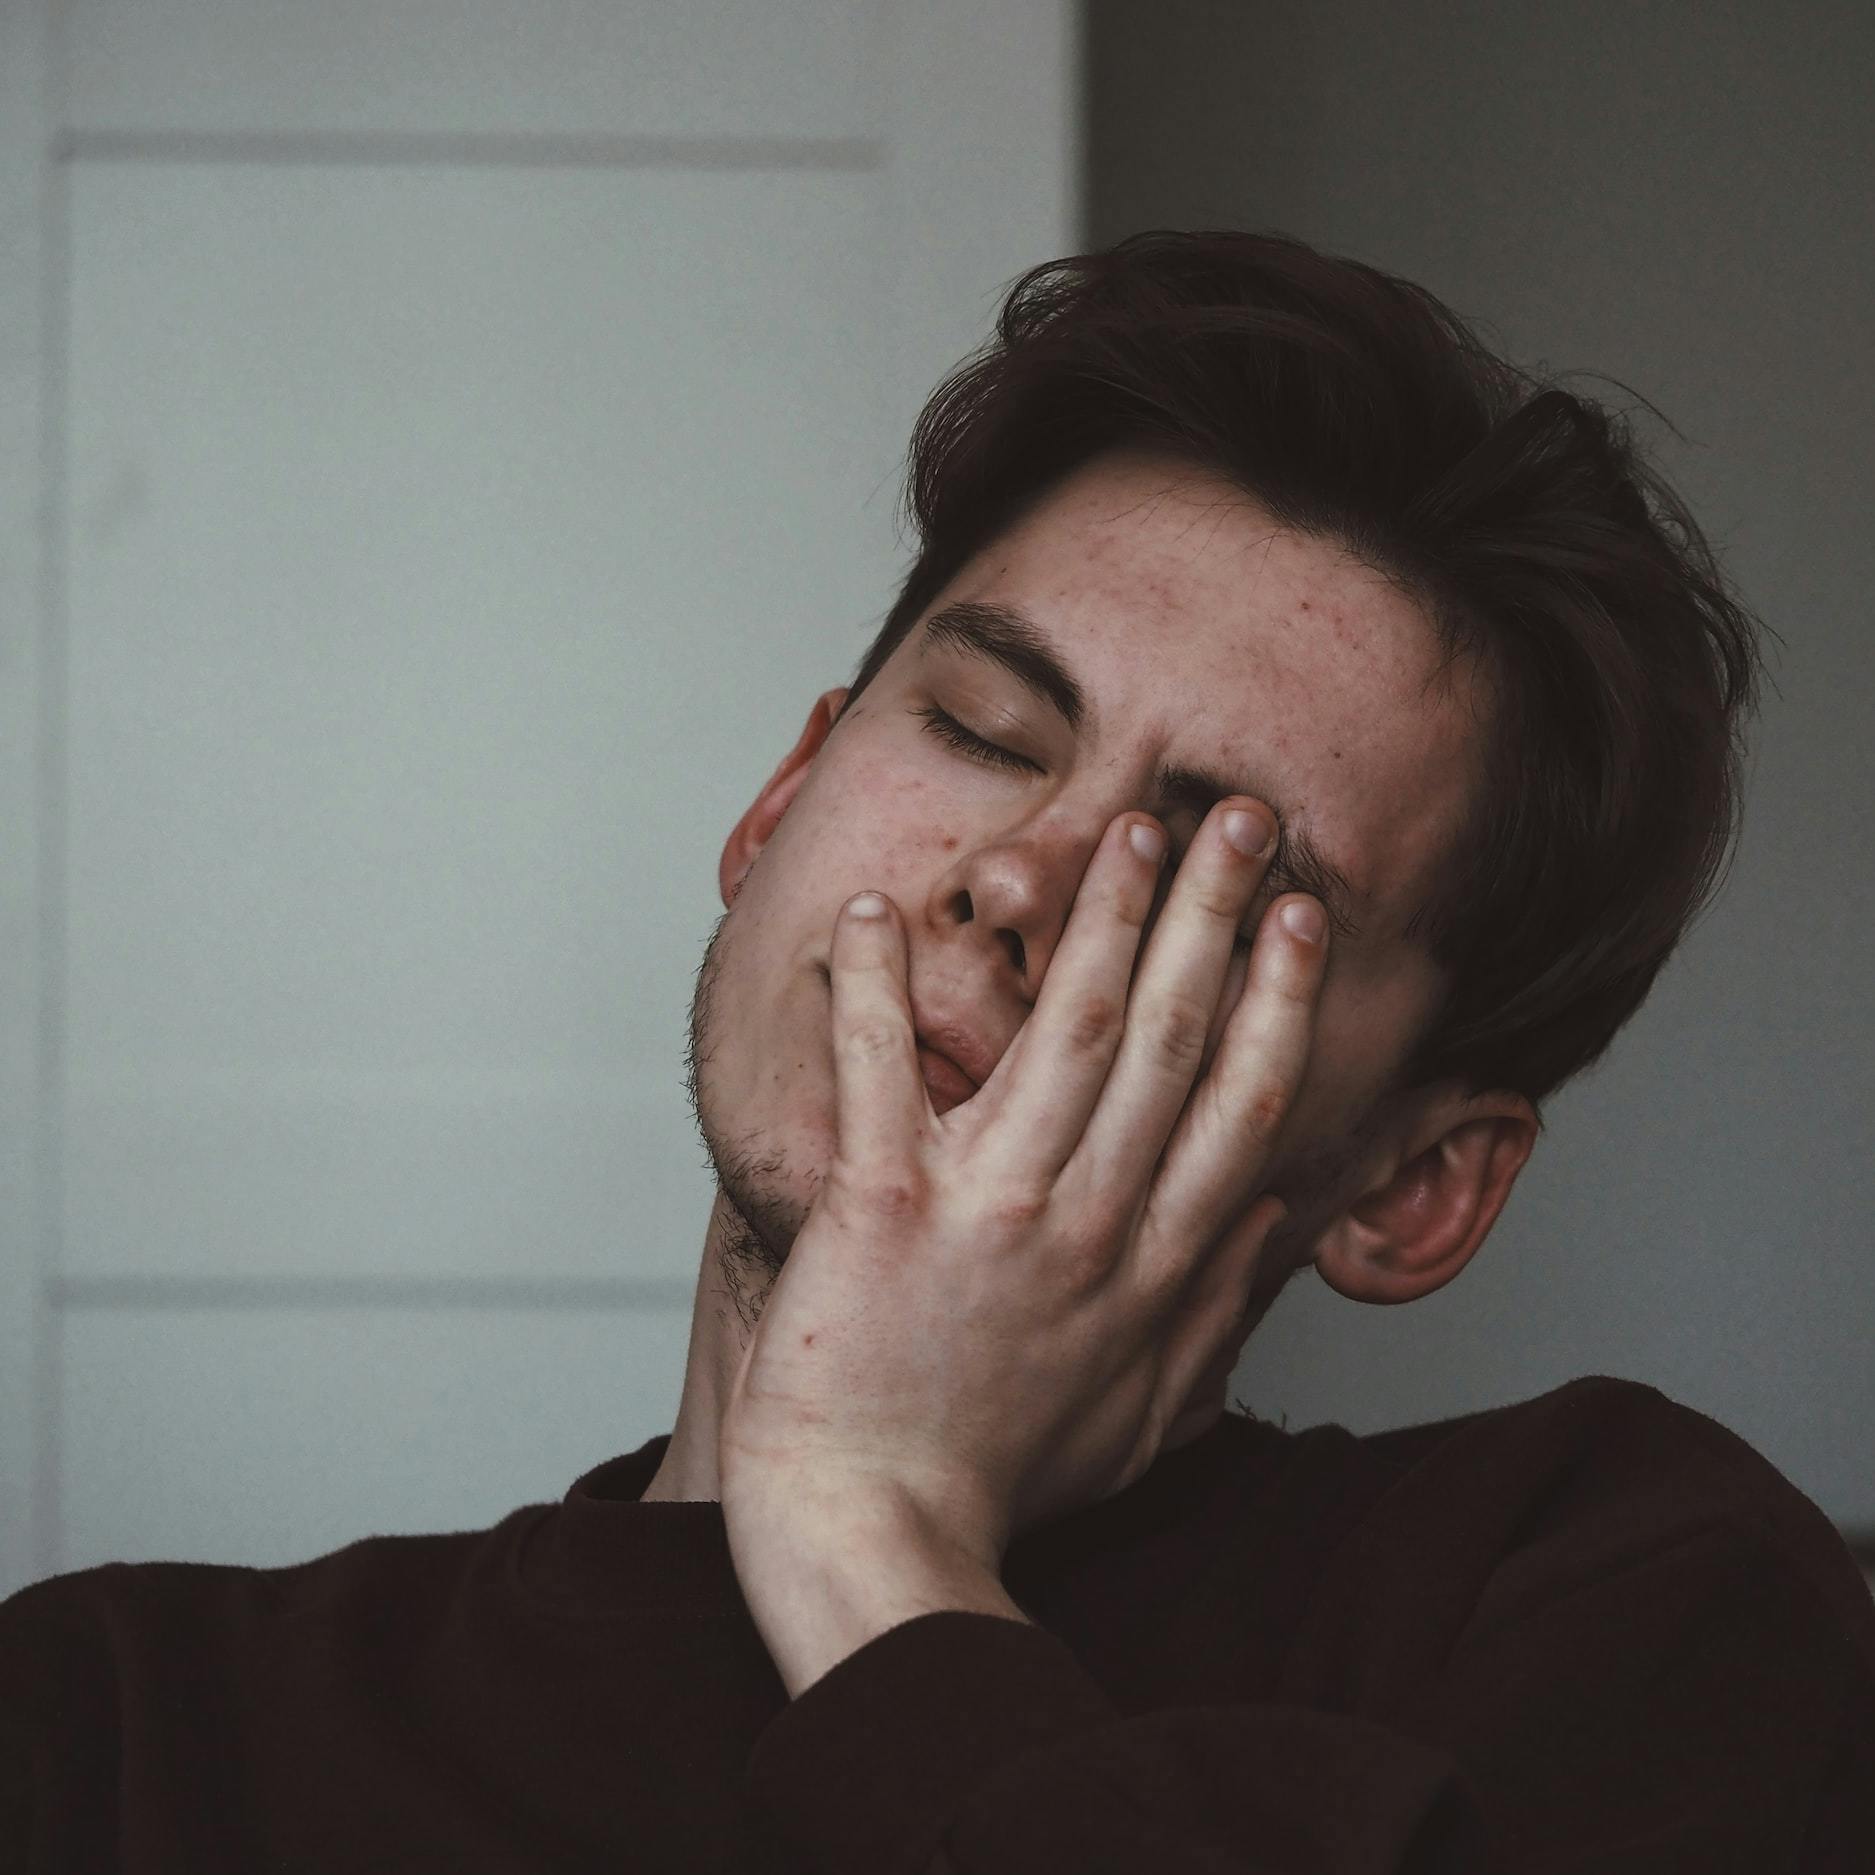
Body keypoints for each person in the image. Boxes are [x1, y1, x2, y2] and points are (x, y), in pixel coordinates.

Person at [4, 229, 1871, 1873]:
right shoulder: (112, 1727)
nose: (1011, 879)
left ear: (1413, 1186)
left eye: (1222, 879)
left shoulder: (1626, 1605)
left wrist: (874, 1528)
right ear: (777, 805)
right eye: (982, 730)